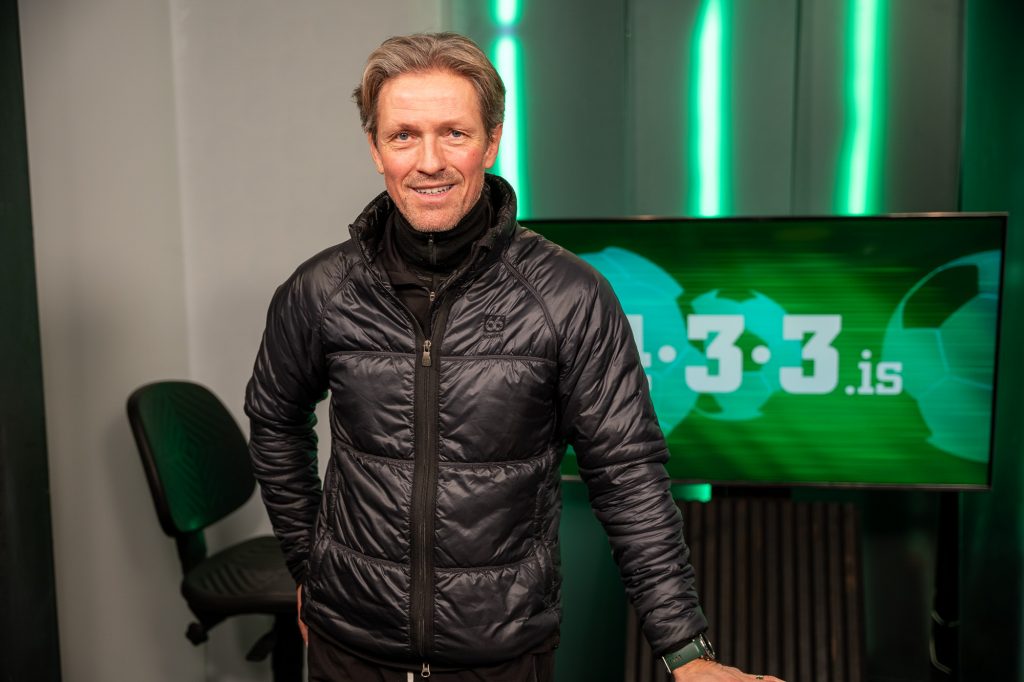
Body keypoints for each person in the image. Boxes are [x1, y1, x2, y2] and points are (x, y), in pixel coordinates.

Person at [245, 32, 781, 682]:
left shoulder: (569, 297)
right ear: (375, 149)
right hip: (350, 648)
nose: (429, 161)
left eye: (454, 133)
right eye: (404, 135)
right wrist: (311, 566)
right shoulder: (321, 290)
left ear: (492, 141)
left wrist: (686, 652)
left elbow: (628, 475)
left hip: (499, 656)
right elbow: (274, 419)